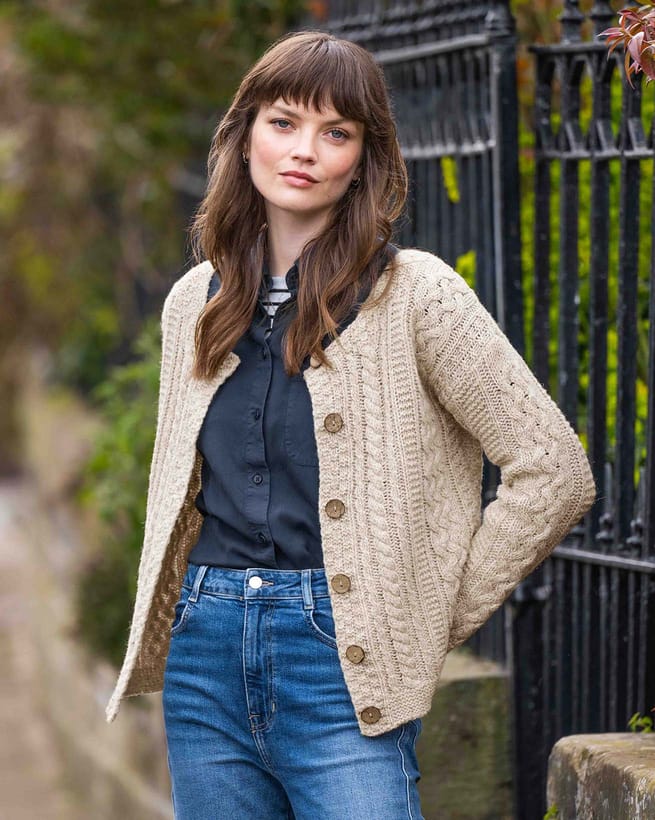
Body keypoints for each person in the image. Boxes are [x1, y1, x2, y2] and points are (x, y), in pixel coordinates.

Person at [105, 29, 596, 820]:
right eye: (283, 122)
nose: (304, 150)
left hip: (340, 655)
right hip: (204, 648)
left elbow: (552, 467)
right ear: (243, 135)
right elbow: (180, 490)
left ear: (364, 159)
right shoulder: (188, 304)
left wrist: (432, 607)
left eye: (335, 132)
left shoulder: (418, 296)